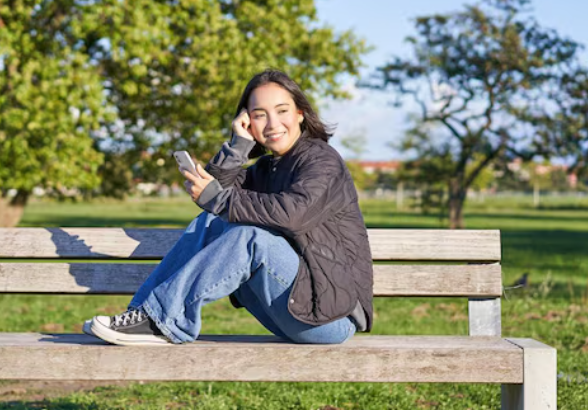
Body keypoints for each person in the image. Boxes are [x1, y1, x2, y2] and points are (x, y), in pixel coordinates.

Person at [85, 69, 373, 346]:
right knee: (208, 223)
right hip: (293, 303)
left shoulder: (322, 160)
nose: (272, 123)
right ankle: (143, 314)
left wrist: (216, 198)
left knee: (251, 239)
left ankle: (162, 321)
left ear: (300, 113)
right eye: (259, 115)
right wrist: (238, 146)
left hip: (331, 316)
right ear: (248, 121)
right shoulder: (267, 168)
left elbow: (292, 213)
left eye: (282, 110)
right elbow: (220, 199)